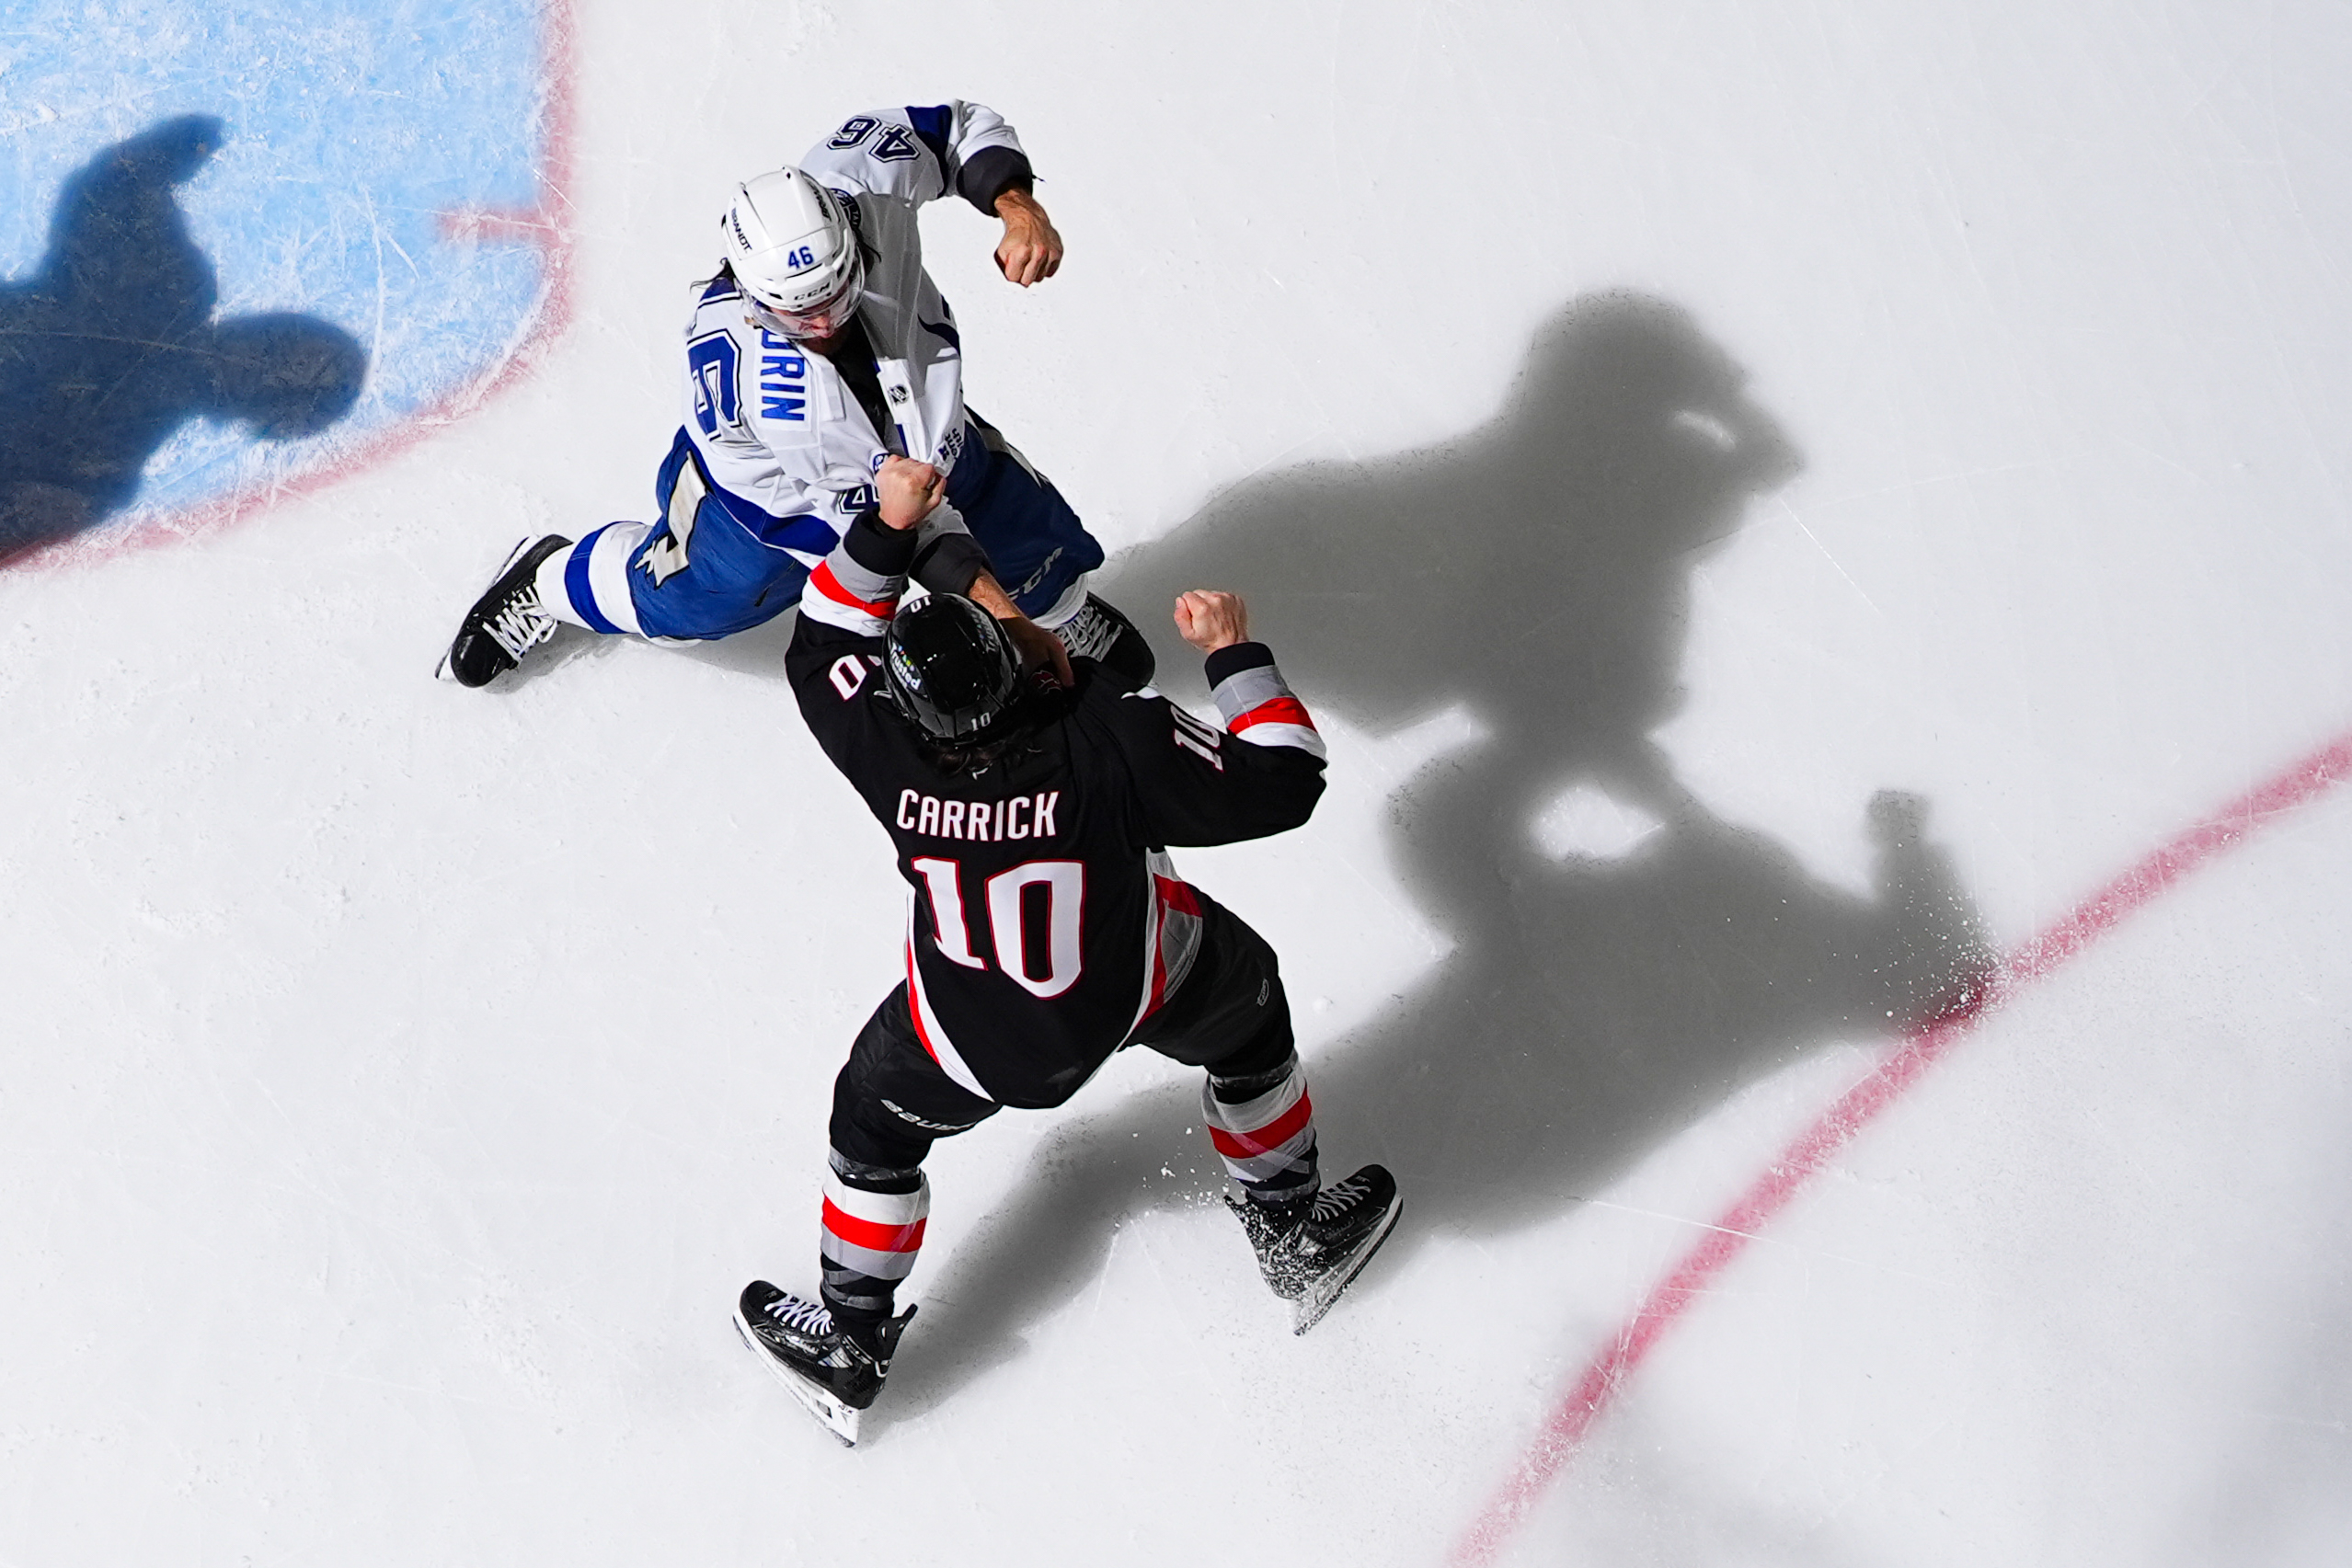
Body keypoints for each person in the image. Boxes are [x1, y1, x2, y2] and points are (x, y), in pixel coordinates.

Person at [731, 454, 1400, 1444]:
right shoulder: (1106, 739)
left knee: (872, 1126)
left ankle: (852, 1339)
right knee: (1248, 1007)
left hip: (967, 1033)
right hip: (1137, 986)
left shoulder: (885, 748)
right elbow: (1285, 779)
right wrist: (1232, 652)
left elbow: (822, 640)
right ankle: (1290, 1230)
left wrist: (884, 527)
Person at [435, 100, 1144, 688]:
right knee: (690, 598)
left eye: (837, 290)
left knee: (1021, 529)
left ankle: (1062, 608)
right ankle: (550, 579)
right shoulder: (775, 395)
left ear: (845, 227)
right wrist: (1005, 623)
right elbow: (903, 524)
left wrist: (1018, 210)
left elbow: (952, 129)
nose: (827, 322)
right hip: (777, 507)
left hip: (924, 439)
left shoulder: (854, 180)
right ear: (751, 297)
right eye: (797, 314)